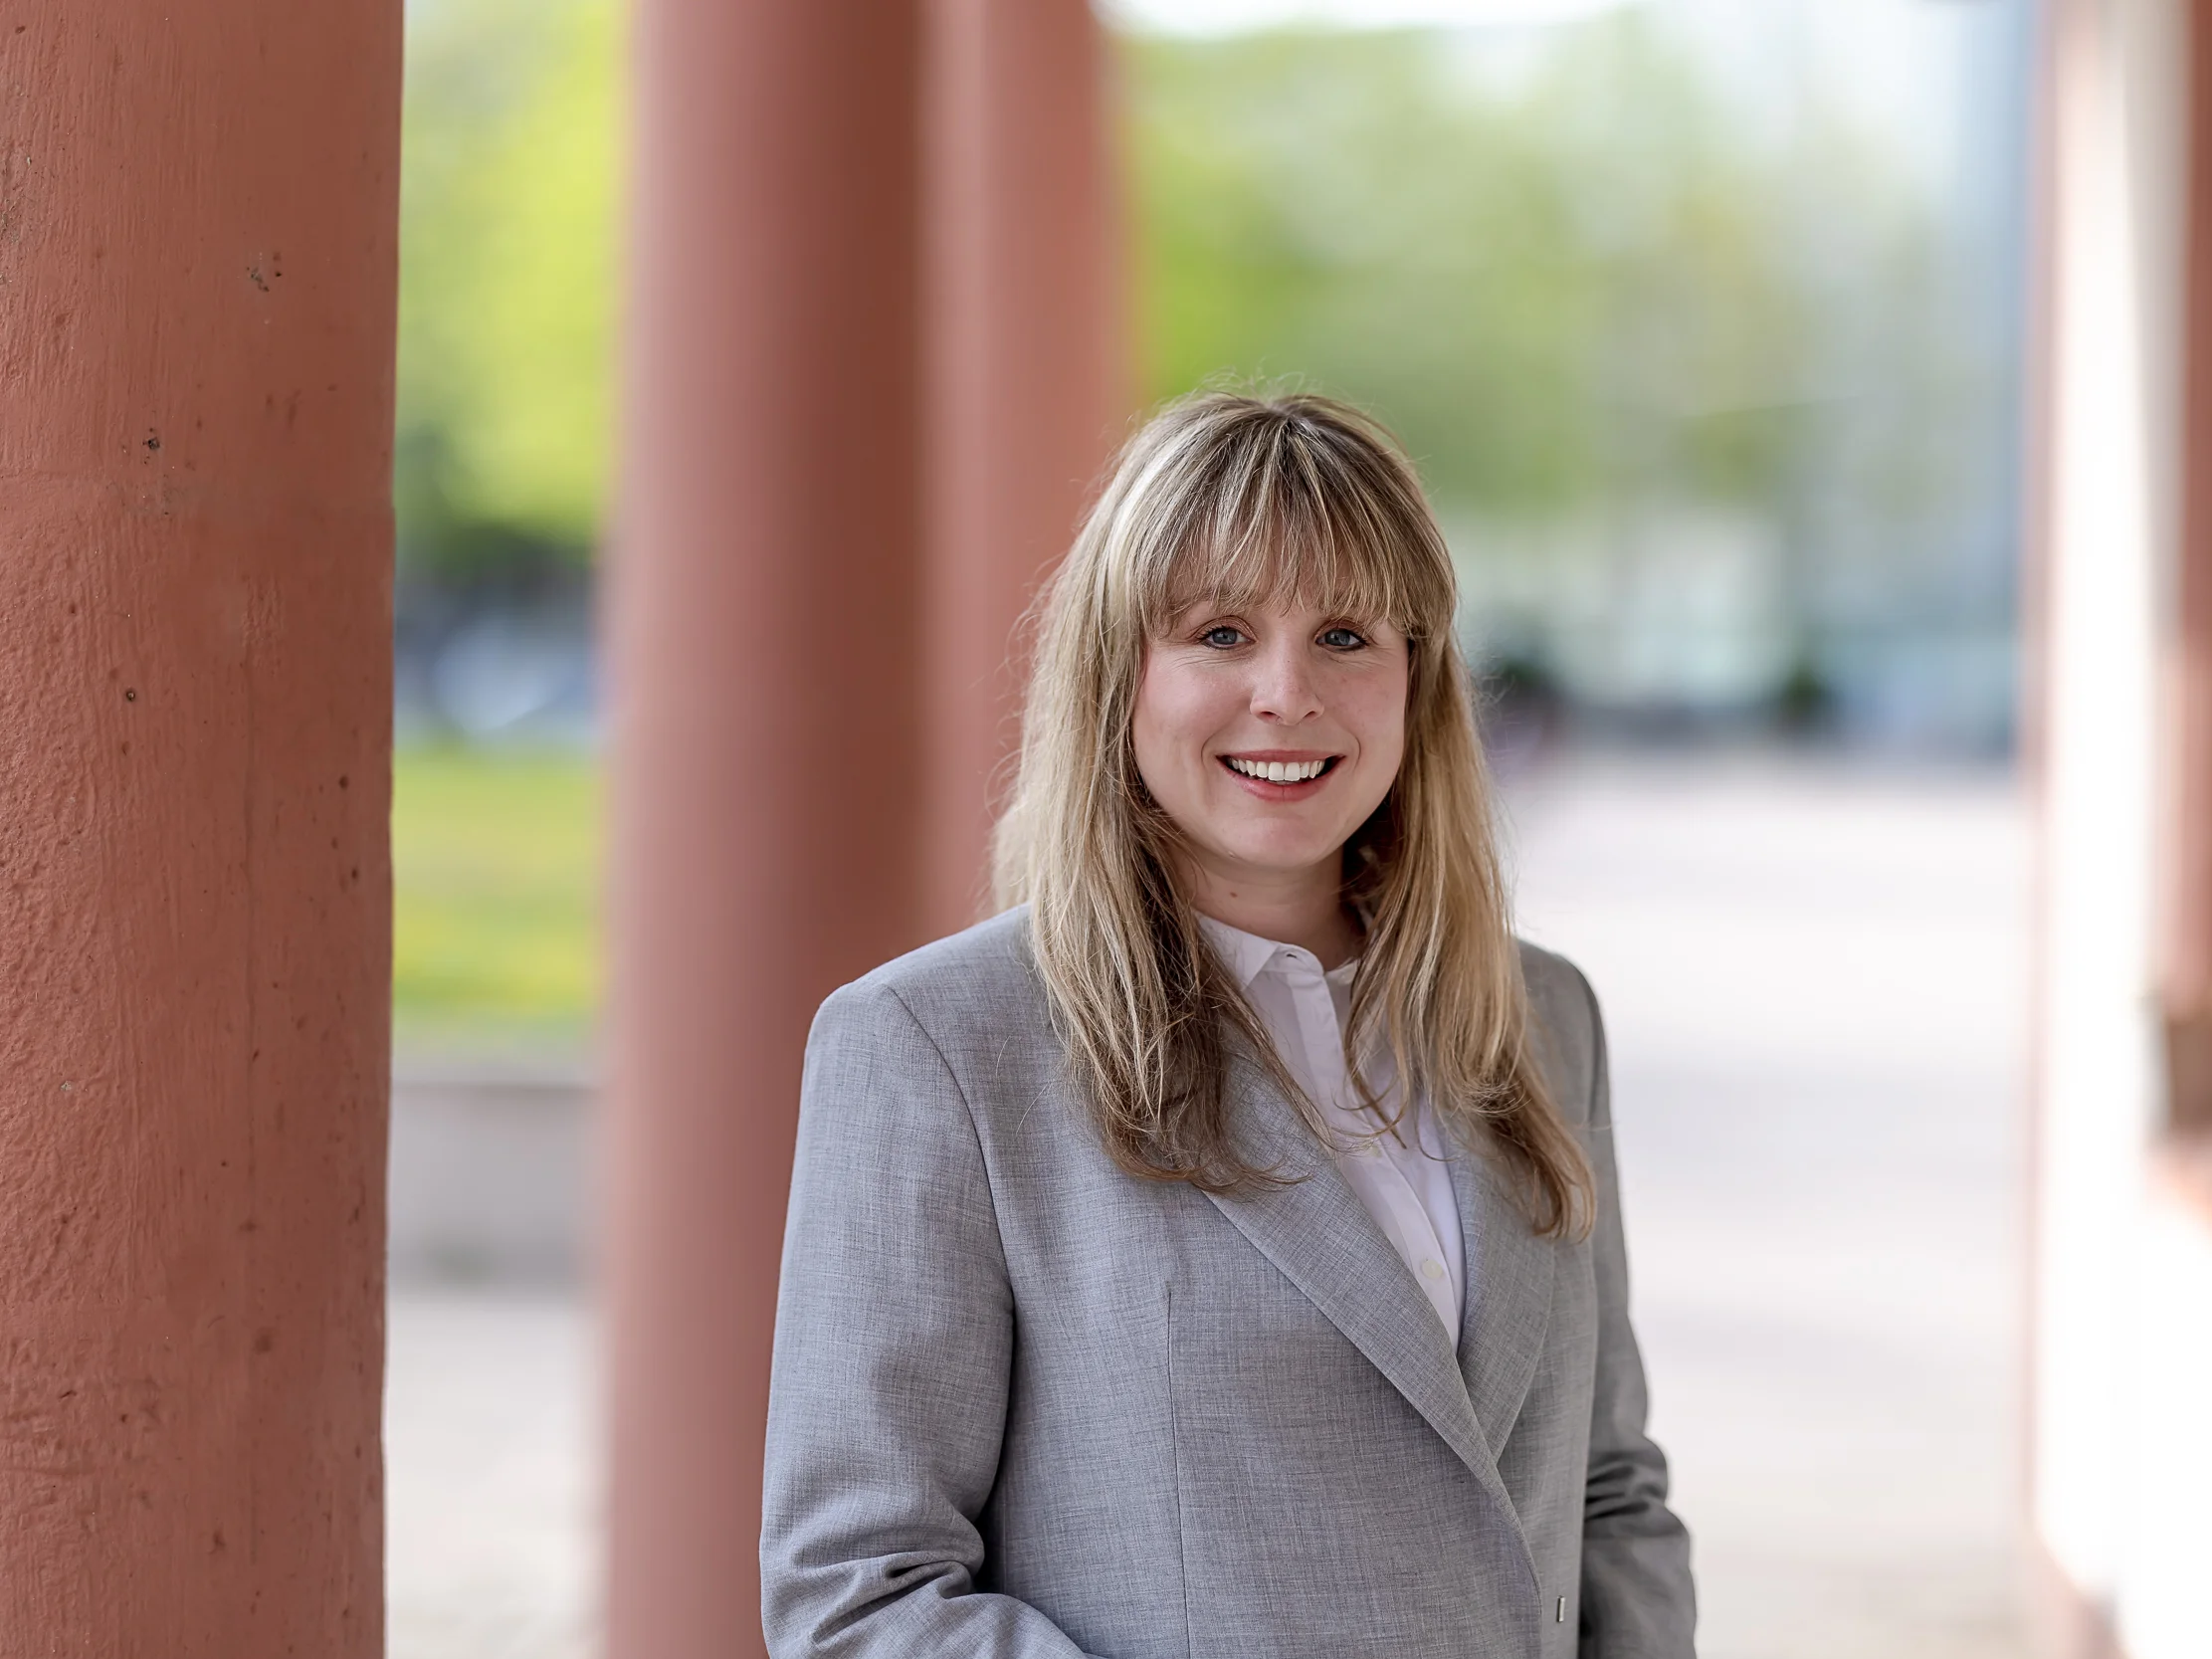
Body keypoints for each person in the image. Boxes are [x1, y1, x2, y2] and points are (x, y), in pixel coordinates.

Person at [761, 392, 1696, 1657]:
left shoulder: (1542, 1016)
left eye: (1346, 634)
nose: (1286, 693)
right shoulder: (936, 1047)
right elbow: (859, 1585)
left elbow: (1609, 1488)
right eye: (1220, 633)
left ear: (1416, 679)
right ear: (1120, 676)